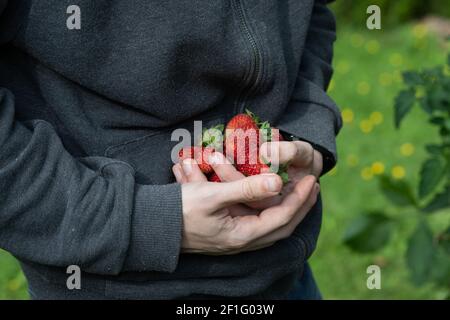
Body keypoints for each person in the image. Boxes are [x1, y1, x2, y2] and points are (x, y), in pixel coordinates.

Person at [0, 0, 342, 299]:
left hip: (284, 275)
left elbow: (311, 13)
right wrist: (147, 222)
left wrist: (304, 133)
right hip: (112, 287)